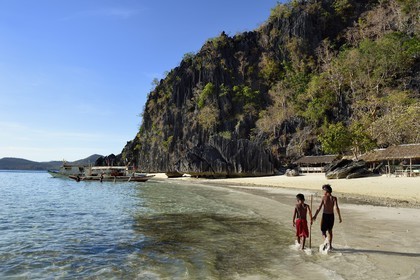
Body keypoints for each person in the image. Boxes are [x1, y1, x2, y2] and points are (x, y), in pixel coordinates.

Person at [312, 184, 342, 251]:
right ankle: (330, 246)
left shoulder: (324, 198)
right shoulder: (334, 198)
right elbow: (336, 208)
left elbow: (319, 207)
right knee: (330, 231)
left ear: (326, 190)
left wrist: (315, 216)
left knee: (323, 231)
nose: (323, 192)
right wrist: (339, 217)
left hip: (325, 215)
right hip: (331, 216)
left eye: (323, 190)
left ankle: (326, 241)